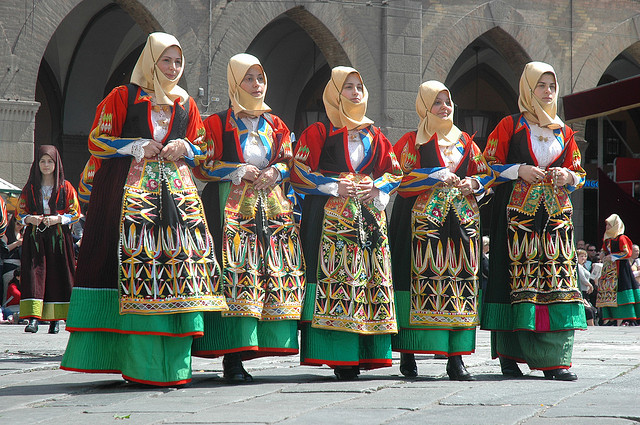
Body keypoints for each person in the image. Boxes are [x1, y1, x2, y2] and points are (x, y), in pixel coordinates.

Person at [60, 32, 227, 387]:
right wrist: (135, 144)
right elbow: (97, 140)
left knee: (182, 270)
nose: (172, 67)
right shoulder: (123, 96)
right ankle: (137, 364)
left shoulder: (186, 103)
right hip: (130, 196)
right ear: (150, 62)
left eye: (178, 61)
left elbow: (202, 148)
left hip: (179, 200)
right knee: (135, 265)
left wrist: (184, 146)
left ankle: (175, 367)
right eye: (165, 60)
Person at [191, 53, 305, 382]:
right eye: (249, 79)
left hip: (271, 210)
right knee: (236, 275)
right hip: (230, 208)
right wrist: (235, 170)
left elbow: (289, 159)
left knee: (271, 273)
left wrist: (275, 171)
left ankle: (258, 344)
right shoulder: (216, 122)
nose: (257, 86)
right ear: (234, 82)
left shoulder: (276, 124)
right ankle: (232, 354)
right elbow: (202, 164)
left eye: (261, 79)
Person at [291, 66, 402, 380]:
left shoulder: (374, 135)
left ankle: (366, 352)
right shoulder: (319, 132)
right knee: (334, 282)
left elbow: (394, 172)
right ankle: (338, 355)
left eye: (359, 87)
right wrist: (332, 185)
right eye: (348, 87)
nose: (355, 93)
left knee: (367, 283)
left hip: (368, 223)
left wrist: (376, 186)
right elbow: (298, 172)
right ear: (334, 94)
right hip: (330, 223)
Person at [482, 61, 586, 381]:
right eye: (541, 85)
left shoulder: (564, 131)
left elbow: (579, 174)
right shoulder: (510, 125)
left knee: (557, 282)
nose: (547, 91)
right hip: (518, 220)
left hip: (555, 221)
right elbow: (486, 165)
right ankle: (510, 356)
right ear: (528, 89)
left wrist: (566, 175)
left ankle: (555, 360)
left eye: (552, 86)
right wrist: (518, 171)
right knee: (516, 281)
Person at [388, 81, 494, 380]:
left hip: (461, 226)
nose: (445, 107)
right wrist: (431, 176)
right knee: (416, 280)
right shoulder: (413, 142)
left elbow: (485, 175)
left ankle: (456, 358)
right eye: (437, 102)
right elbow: (397, 177)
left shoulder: (466, 143)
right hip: (420, 226)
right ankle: (409, 353)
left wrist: (473, 184)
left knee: (459, 284)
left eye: (448, 101)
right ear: (424, 106)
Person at [17, 145, 80, 334]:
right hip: (35, 237)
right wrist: (29, 219)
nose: (46, 165)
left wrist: (59, 219)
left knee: (57, 275)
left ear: (56, 163)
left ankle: (55, 320)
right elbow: (20, 211)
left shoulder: (65, 186)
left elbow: (76, 212)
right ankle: (33, 319)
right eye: (42, 161)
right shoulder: (30, 187)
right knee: (33, 275)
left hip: (58, 237)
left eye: (50, 161)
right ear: (37, 164)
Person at [597, 214, 640, 326]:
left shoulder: (621, 238)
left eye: (610, 225)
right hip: (610, 271)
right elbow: (604, 250)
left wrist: (612, 257)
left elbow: (627, 253)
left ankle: (627, 318)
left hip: (620, 269)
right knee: (610, 293)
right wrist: (602, 254)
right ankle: (612, 318)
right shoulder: (607, 239)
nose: (607, 227)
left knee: (622, 290)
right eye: (607, 225)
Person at [576, 249, 596, 326]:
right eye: (581, 256)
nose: (583, 258)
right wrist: (590, 285)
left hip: (586, 291)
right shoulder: (578, 266)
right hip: (581, 291)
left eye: (585, 256)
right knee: (588, 310)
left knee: (591, 309)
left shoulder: (583, 266)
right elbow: (582, 278)